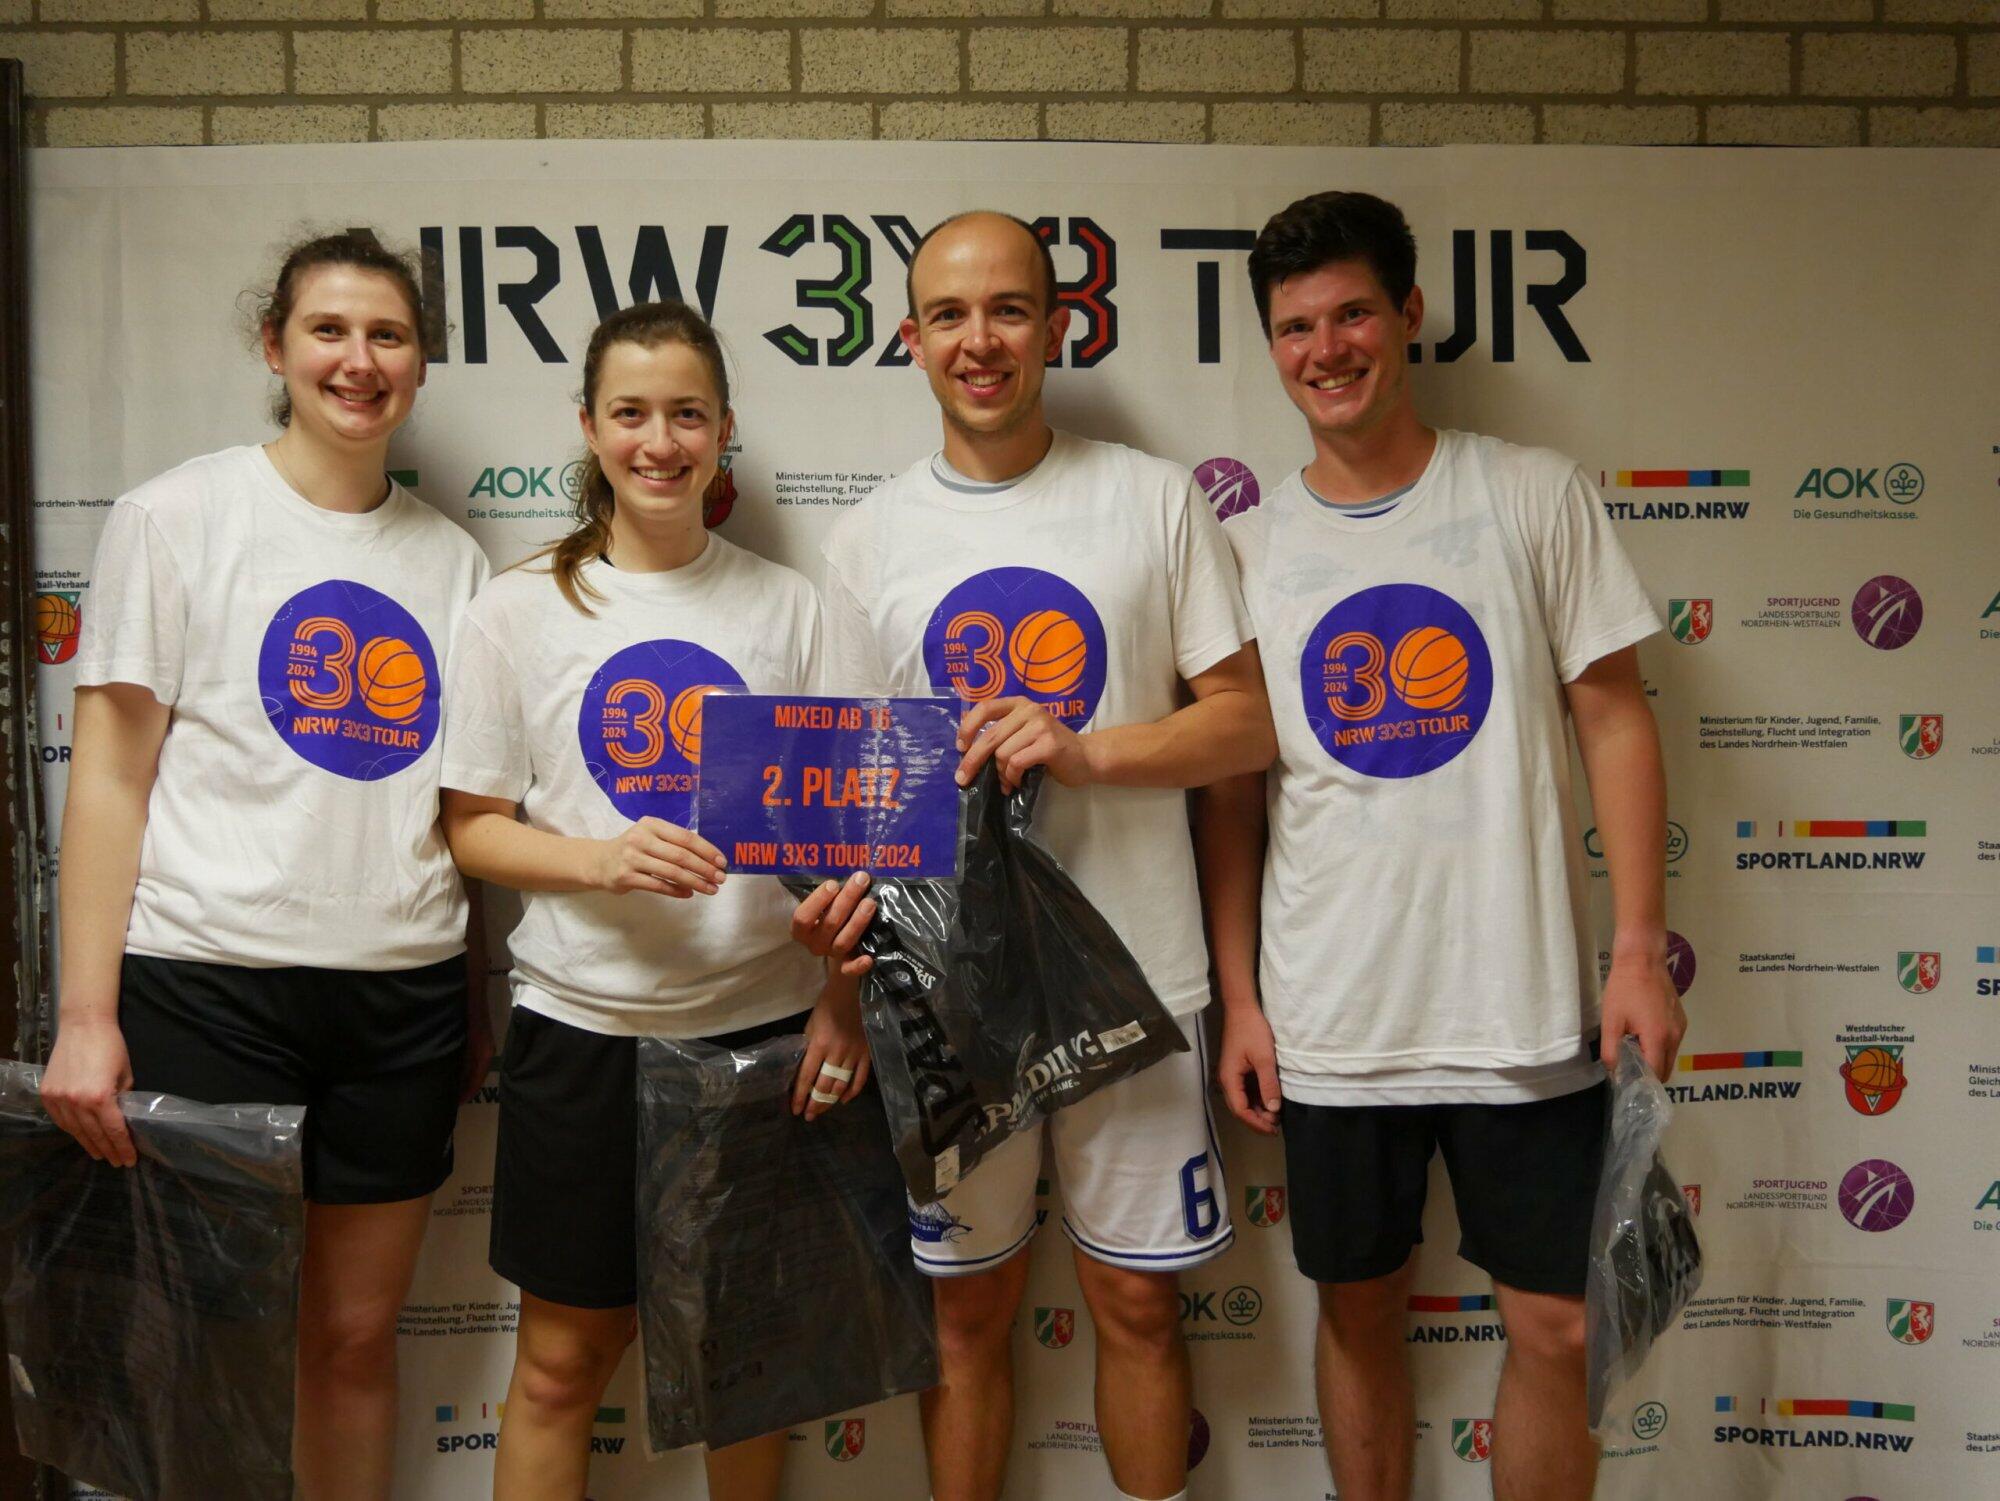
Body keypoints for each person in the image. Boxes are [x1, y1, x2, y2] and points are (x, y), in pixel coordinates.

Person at [1198, 190, 1685, 1501]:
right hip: (1331, 1016)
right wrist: (1240, 997)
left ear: (1407, 314)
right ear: (1272, 345)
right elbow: (1231, 797)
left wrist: (1638, 949)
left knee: (1561, 1325)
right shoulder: (1244, 550)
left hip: (1520, 1009)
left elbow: (1615, 719)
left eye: (1352, 313)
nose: (1326, 349)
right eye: (1295, 327)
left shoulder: (1529, 493)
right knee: (1357, 1311)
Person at [793, 210, 1276, 1501]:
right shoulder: (870, 538)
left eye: (1007, 309)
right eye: (948, 315)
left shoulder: (1152, 500)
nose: (980, 340)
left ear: (1058, 327)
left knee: (1137, 1306)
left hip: (1138, 971)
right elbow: (854, 798)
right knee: (965, 1314)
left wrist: (1084, 749)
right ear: (910, 339)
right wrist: (840, 990)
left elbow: (1243, 724)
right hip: (948, 998)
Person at [39, 232, 492, 1501]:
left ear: (420, 363)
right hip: (204, 986)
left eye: (388, 335)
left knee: (352, 1340)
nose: (359, 360)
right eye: (328, 331)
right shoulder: (174, 518)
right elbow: (108, 780)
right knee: (206, 1347)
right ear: (274, 346)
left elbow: (460, 808)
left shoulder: (453, 562)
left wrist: (469, 990)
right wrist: (85, 1016)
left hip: (399, 999)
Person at [437, 300, 871, 1501]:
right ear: (587, 426)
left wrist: (840, 1005)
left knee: (746, 1367)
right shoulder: (517, 608)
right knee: (559, 1365)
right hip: (582, 1038)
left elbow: (854, 847)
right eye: (630, 412)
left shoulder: (793, 606)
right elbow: (470, 827)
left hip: (759, 1040)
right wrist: (598, 859)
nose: (659, 441)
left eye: (687, 413)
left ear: (725, 428)